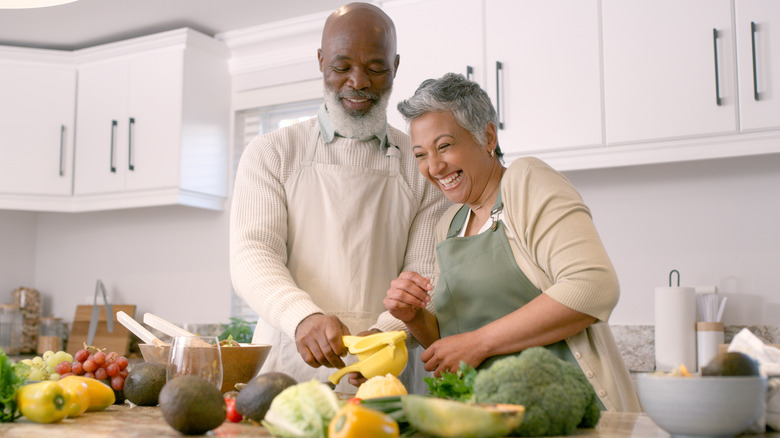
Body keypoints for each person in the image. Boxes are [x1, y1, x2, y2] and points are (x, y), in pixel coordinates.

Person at [383, 72, 641, 411]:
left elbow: (594, 286)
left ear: (487, 136)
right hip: (490, 416)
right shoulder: (450, 224)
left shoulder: (526, 181)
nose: (433, 166)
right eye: (420, 154)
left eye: (444, 146)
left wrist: (480, 343)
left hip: (570, 413)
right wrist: (414, 316)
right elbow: (455, 350)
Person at [229, 3, 450, 393]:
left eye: (376, 67)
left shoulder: (422, 163)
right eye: (341, 66)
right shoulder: (272, 152)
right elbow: (252, 254)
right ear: (320, 62)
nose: (358, 81)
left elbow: (424, 276)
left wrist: (381, 335)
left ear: (395, 66)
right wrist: (302, 317)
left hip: (385, 376)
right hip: (286, 375)